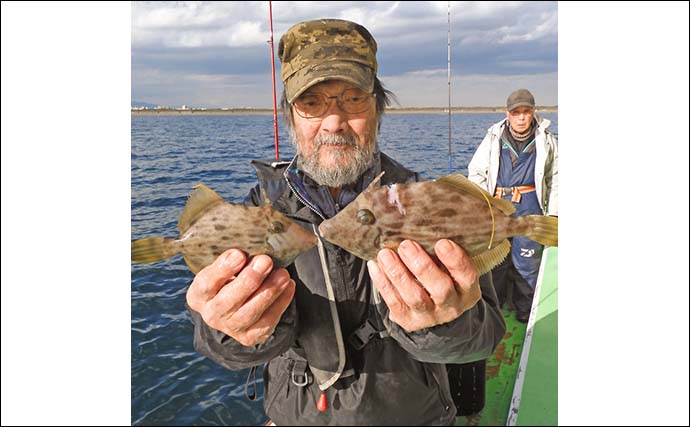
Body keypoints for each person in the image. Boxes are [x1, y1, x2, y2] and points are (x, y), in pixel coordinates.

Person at [185, 18, 506, 425]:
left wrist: (443, 324)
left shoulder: (426, 203)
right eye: (312, 103)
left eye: (353, 98)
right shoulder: (256, 211)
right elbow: (222, 346)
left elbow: (484, 335)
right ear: (292, 116)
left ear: (377, 107)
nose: (334, 122)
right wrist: (228, 329)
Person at [467, 88, 558, 323]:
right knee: (494, 262)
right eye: (516, 112)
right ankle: (492, 312)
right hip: (497, 207)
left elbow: (557, 178)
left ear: (533, 112)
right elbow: (476, 172)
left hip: (530, 206)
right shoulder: (493, 138)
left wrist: (555, 212)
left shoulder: (546, 140)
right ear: (507, 114)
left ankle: (526, 313)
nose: (521, 117)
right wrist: (481, 203)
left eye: (526, 111)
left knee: (527, 263)